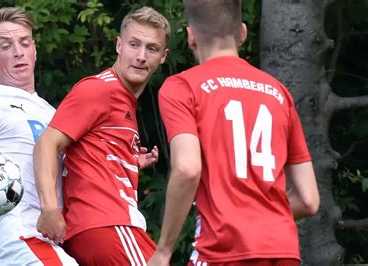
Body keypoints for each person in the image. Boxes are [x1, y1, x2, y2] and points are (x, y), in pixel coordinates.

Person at [148, 0, 320, 265]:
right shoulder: (278, 93)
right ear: (242, 33)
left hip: (223, 248)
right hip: (282, 249)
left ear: (191, 36)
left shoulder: (182, 87)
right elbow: (308, 200)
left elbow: (187, 169)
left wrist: (164, 250)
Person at [33, 6, 169, 265]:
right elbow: (47, 144)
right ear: (119, 45)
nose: (141, 56)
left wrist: (127, 158)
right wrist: (49, 208)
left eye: (151, 48)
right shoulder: (100, 89)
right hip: (107, 223)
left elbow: (91, 149)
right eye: (134, 44)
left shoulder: (125, 100)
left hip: (103, 228)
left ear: (163, 56)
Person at [0, 7, 77, 265]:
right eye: (6, 46)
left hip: (60, 237)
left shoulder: (52, 112)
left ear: (34, 49)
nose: (18, 52)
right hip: (24, 232)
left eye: (24, 43)